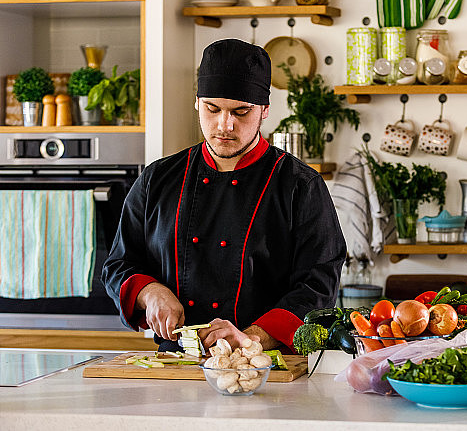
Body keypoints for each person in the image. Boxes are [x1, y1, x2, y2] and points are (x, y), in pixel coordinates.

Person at [102, 38, 346, 352]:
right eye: (212, 108)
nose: (224, 125)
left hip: (265, 366)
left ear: (264, 111)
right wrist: (151, 293)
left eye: (240, 112)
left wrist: (252, 338)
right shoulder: (157, 179)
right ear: (197, 103)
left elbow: (319, 285)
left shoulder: (301, 185)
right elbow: (119, 264)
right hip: (177, 365)